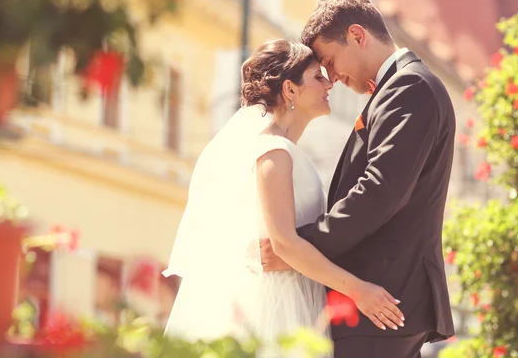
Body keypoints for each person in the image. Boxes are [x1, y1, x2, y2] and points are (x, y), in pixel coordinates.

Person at [162, 39, 404, 356]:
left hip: (297, 295)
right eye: (318, 77)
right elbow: (284, 243)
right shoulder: (273, 151)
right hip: (274, 306)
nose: (329, 83)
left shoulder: (286, 151)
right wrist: (358, 290)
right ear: (290, 90)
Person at [260, 0, 456, 358]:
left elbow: (379, 192)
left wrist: (297, 249)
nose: (331, 77)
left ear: (357, 35)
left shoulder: (409, 88)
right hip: (379, 298)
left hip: (382, 297)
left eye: (330, 62)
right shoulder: (396, 89)